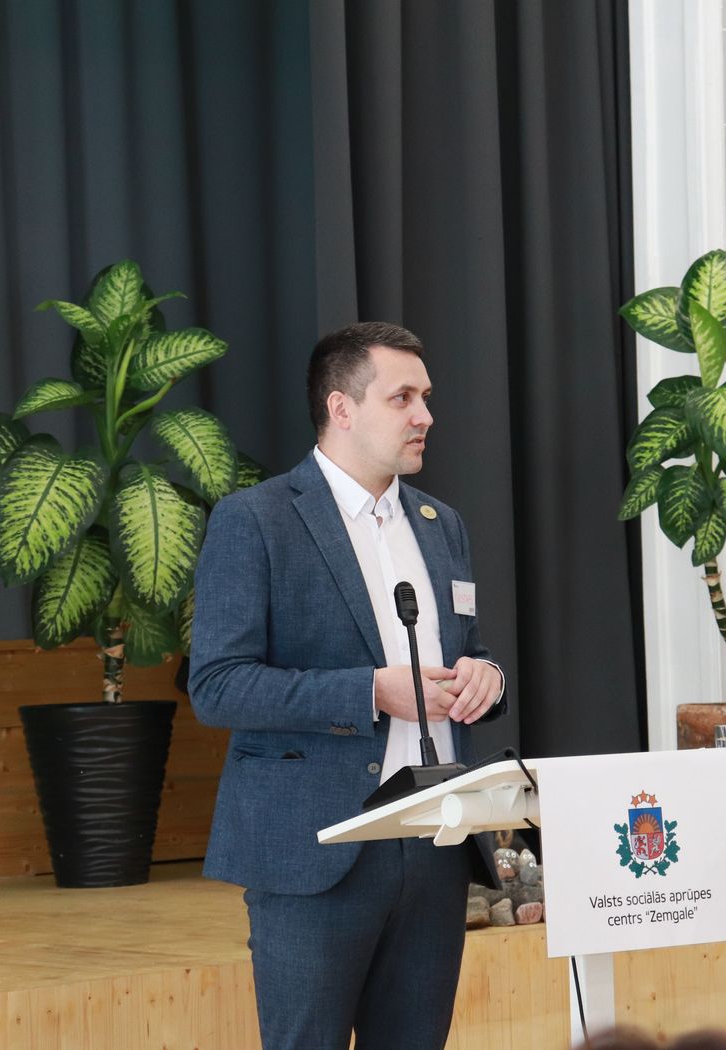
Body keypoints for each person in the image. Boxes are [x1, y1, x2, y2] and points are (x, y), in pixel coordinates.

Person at [189, 321, 508, 1050]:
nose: (425, 415)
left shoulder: (440, 524)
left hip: (433, 842)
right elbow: (218, 686)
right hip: (317, 849)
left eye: (425, 396)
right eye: (402, 397)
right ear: (341, 407)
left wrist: (484, 677)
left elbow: (468, 649)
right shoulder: (256, 520)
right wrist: (369, 692)